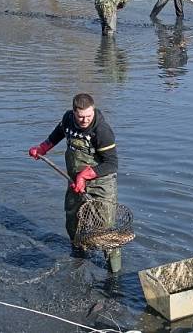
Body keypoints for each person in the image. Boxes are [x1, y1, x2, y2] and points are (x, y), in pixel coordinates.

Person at [28, 93, 122, 273]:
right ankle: (79, 256)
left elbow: (112, 164)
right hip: (75, 182)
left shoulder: (102, 131)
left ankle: (114, 275)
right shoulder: (68, 119)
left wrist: (86, 176)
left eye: (89, 116)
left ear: (93, 110)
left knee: (105, 230)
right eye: (81, 116)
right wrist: (43, 147)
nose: (85, 120)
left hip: (101, 185)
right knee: (73, 220)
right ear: (73, 112)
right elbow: (58, 133)